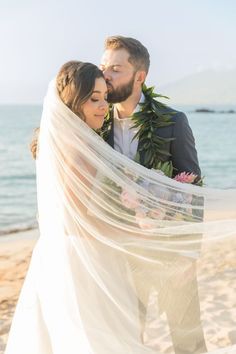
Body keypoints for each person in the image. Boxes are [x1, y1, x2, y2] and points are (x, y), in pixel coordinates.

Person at [29, 37, 206, 353]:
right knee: (124, 340)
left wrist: (187, 256)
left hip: (169, 257)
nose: (106, 76)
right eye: (103, 68)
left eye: (116, 69)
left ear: (139, 76)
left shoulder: (173, 122)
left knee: (188, 340)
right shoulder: (92, 121)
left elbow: (192, 189)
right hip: (116, 263)